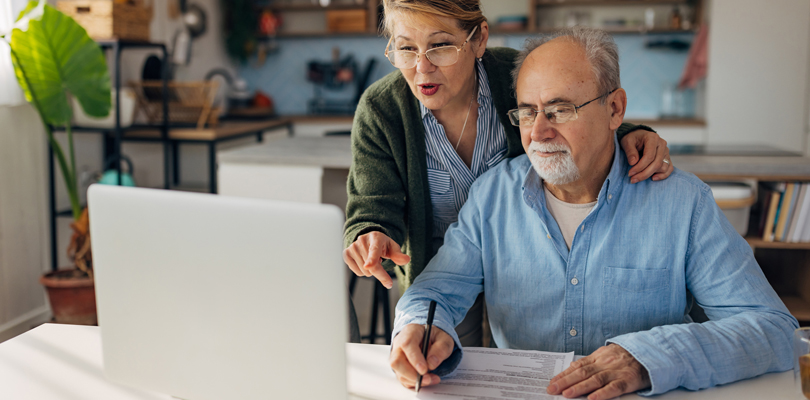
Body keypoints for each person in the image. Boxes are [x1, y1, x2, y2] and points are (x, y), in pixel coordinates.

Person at [390, 27, 798, 399]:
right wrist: (418, 328)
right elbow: (434, 293)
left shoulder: (682, 203)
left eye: (561, 109)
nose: (538, 133)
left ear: (615, 110)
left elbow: (773, 329)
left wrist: (647, 356)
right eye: (527, 112)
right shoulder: (491, 197)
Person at [343, 0, 674, 346]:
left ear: (479, 39)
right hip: (443, 267)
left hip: (523, 260)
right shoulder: (381, 109)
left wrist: (628, 133)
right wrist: (371, 232)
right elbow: (373, 203)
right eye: (406, 48)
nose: (421, 67)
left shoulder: (513, 73)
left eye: (440, 46)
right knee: (445, 363)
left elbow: (569, 110)